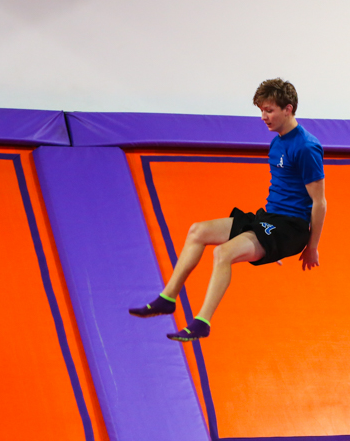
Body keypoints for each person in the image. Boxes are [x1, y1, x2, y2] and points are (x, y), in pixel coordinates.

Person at [129, 78, 327, 341]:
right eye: (261, 111)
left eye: (269, 111)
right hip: (270, 220)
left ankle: (202, 322)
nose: (263, 117)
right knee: (197, 231)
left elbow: (319, 202)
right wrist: (268, 243)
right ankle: (167, 298)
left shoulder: (306, 147)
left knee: (223, 253)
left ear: (288, 109)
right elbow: (281, 189)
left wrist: (311, 246)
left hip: (291, 228)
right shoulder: (277, 142)